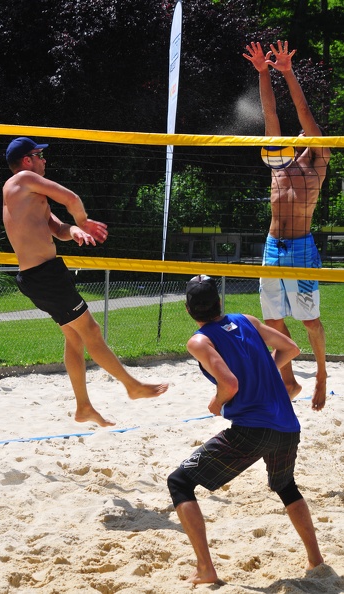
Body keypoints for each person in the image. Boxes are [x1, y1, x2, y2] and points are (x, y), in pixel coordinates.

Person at [167, 274, 324, 585]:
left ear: (188, 310)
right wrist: (263, 371)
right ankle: (316, 559)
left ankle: (206, 569)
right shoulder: (247, 320)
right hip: (288, 426)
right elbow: (291, 348)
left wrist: (216, 403)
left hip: (252, 429)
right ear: (219, 302)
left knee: (180, 482)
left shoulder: (200, 341)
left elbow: (229, 383)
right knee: (286, 486)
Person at [3, 136, 168, 427]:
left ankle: (84, 407)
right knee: (90, 329)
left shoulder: (27, 194)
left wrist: (75, 231)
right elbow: (71, 198)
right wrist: (84, 220)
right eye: (40, 154)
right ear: (27, 160)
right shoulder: (23, 179)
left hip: (41, 276)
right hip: (45, 276)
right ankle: (132, 386)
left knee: (75, 337)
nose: (44, 159)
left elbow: (56, 227)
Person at [243, 40, 331, 410]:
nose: (295, 137)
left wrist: (288, 73)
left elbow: (303, 110)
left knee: (310, 322)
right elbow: (270, 112)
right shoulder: (279, 165)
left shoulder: (317, 163)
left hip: (301, 247)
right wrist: (264, 74)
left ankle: (322, 375)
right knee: (273, 320)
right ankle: (289, 381)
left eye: (301, 136)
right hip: (272, 245)